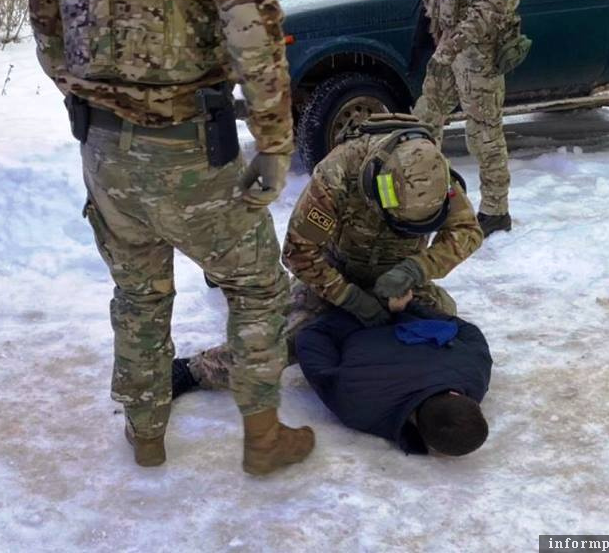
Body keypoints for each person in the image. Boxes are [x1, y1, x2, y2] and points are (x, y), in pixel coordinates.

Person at [29, 0, 314, 474]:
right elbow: (254, 33)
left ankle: (146, 434)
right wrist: (274, 144)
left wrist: (100, 104)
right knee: (256, 289)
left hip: (103, 150)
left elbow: (48, 34)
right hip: (193, 149)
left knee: (139, 295)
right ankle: (264, 439)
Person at [173, 114, 484, 397]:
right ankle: (195, 371)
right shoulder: (337, 175)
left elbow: (466, 232)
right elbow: (298, 252)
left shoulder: (436, 176)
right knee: (286, 341)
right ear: (381, 189)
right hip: (334, 277)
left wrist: (416, 269)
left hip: (401, 282)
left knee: (442, 327)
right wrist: (350, 298)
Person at [412, 0, 526, 237]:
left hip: (480, 49)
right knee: (425, 117)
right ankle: (420, 197)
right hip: (450, 40)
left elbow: (494, 4)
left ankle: (495, 210)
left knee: (483, 131)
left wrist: (455, 42)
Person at [294, 305, 491, 456]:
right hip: (349, 318)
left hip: (371, 305)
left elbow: (468, 331)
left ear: (456, 395)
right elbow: (312, 341)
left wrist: (406, 305)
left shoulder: (475, 372)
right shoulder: (358, 408)